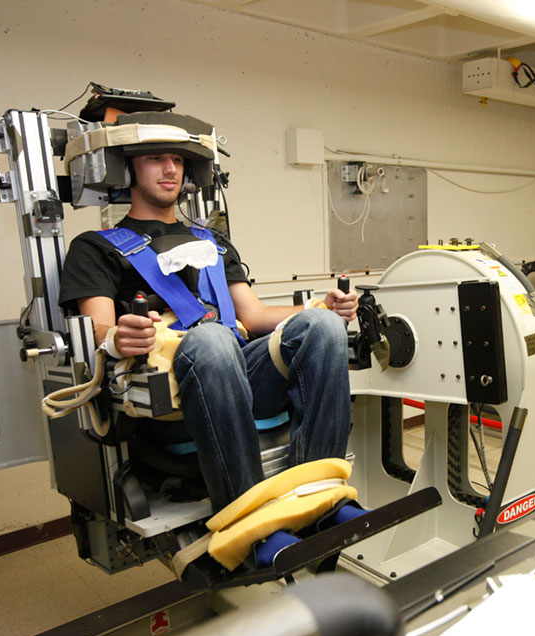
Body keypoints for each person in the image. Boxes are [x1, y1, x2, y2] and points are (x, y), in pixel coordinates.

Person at [58, 112, 357, 513]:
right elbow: (98, 327)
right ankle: (243, 514)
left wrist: (320, 306)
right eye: (155, 159)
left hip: (240, 369)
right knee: (213, 338)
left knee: (323, 326)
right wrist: (116, 337)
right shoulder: (96, 247)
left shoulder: (212, 241)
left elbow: (251, 316)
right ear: (127, 169)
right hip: (170, 389)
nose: (170, 169)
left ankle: (317, 493)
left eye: (178, 160)